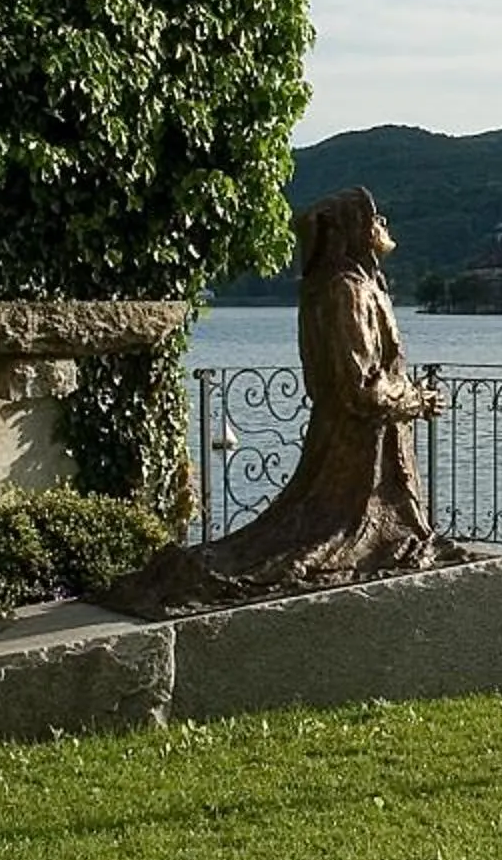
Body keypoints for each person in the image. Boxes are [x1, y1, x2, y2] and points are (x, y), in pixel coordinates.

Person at [111, 188, 456, 614]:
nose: (382, 223)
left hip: (364, 448)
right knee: (317, 543)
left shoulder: (345, 287)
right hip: (357, 455)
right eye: (373, 217)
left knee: (337, 535)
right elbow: (362, 390)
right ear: (352, 230)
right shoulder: (348, 292)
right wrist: (417, 399)